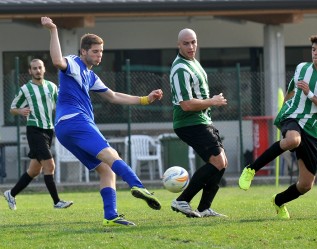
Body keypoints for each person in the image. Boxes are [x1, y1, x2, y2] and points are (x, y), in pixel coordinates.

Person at [41, 16, 163, 227]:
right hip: (76, 120)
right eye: (95, 51)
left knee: (105, 169)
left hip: (64, 129)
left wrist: (145, 99)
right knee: (111, 154)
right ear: (83, 51)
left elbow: (113, 96)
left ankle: (111, 215)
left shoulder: (90, 76)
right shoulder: (73, 63)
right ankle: (137, 184)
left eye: (101, 52)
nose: (99, 56)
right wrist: (53, 30)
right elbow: (56, 60)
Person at [239, 34, 317, 219]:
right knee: (293, 140)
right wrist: (284, 113)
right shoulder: (302, 68)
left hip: (313, 128)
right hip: (293, 116)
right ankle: (251, 169)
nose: (315, 54)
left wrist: (310, 94)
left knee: (306, 185)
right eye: (313, 50)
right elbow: (290, 91)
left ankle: (279, 201)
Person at [169, 28, 228, 218]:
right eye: (186, 43)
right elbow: (186, 105)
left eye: (193, 42)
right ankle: (181, 200)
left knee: (222, 162)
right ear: (178, 45)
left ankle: (204, 208)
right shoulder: (180, 68)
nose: (191, 46)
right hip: (189, 122)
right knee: (218, 160)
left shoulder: (193, 63)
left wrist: (211, 102)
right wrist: (213, 101)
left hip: (202, 120)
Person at [4, 59, 73, 210]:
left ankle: (11, 193)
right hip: (35, 130)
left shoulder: (52, 87)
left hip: (49, 130)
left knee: (34, 170)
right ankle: (57, 202)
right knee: (50, 165)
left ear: (44, 69)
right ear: (30, 71)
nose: (37, 70)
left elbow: (59, 105)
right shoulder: (26, 89)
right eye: (34, 68)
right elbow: (12, 108)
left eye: (39, 67)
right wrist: (20, 111)